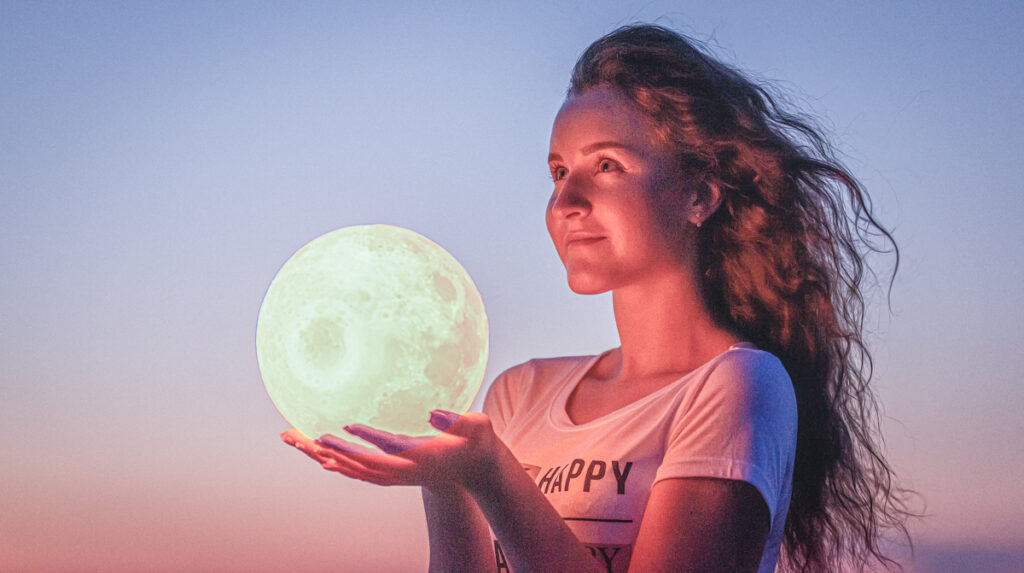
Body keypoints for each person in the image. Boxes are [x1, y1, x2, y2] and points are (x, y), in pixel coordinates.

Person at [282, 24, 912, 572]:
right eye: (559, 172)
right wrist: (446, 484)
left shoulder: (739, 385)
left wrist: (492, 476)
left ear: (699, 195)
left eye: (605, 165)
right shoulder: (518, 395)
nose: (566, 201)